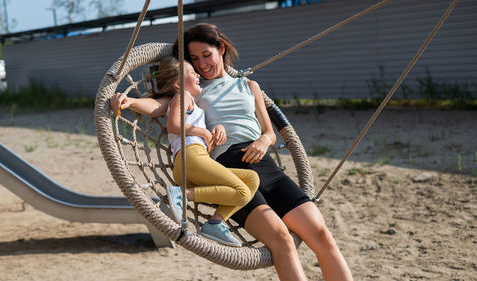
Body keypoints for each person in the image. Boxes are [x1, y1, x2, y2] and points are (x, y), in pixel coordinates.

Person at [112, 23, 353, 280]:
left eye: (206, 55)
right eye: (194, 59)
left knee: (321, 234)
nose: (202, 64)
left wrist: (263, 141)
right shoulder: (193, 88)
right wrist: (129, 102)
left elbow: (270, 132)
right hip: (227, 171)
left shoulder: (249, 86)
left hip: (266, 167)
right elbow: (159, 105)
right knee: (281, 239)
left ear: (221, 49)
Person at [111, 56, 259, 248]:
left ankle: (215, 222)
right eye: (192, 72)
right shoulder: (183, 97)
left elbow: (197, 134)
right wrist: (203, 132)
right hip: (191, 157)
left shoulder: (192, 104)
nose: (198, 75)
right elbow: (174, 126)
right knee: (242, 192)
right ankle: (183, 195)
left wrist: (217, 130)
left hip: (195, 162)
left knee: (251, 180)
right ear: (179, 84)